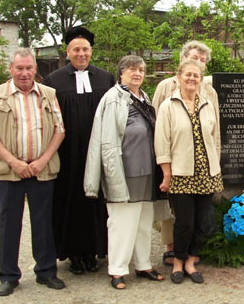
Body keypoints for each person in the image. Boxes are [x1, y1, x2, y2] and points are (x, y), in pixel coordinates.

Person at [0, 48, 66, 296]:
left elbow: (59, 130)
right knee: (9, 224)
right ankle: (8, 276)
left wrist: (43, 160)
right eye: (19, 68)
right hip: (10, 172)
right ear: (11, 69)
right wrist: (13, 162)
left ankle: (46, 271)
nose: (25, 73)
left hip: (42, 169)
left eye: (29, 68)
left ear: (35, 69)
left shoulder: (48, 94)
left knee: (43, 223)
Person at [84, 55, 164, 290]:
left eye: (141, 70)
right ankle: (117, 270)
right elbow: (106, 141)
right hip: (124, 171)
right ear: (121, 73)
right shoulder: (113, 99)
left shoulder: (143, 97)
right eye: (132, 70)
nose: (137, 73)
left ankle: (143, 265)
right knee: (121, 222)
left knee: (142, 221)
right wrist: (110, 173)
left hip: (147, 170)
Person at [43, 26, 115, 275]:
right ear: (68, 51)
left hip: (99, 151)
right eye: (76, 49)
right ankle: (74, 253)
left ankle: (95, 251)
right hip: (68, 153)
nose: (81, 54)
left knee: (97, 200)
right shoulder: (54, 80)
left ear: (91, 51)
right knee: (71, 200)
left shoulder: (105, 78)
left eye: (85, 49)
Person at [155, 59, 223, 284]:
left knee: (203, 220)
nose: (192, 79)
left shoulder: (207, 104)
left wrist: (216, 167)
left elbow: (214, 138)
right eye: (188, 75)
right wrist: (167, 173)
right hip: (181, 173)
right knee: (184, 221)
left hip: (206, 172)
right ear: (179, 77)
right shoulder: (168, 105)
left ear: (201, 79)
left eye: (196, 75)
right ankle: (177, 261)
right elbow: (162, 142)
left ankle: (191, 261)